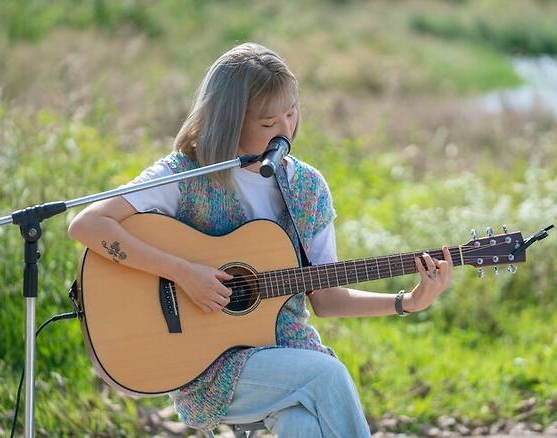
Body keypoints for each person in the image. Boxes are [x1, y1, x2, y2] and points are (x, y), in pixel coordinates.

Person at [67, 42, 453, 437]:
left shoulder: (306, 188)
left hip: (287, 348)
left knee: (302, 424)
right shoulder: (185, 175)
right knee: (327, 376)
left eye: (292, 113)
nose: (285, 130)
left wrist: (408, 302)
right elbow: (88, 226)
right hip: (208, 366)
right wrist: (184, 273)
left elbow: (327, 298)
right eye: (269, 123)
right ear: (230, 121)